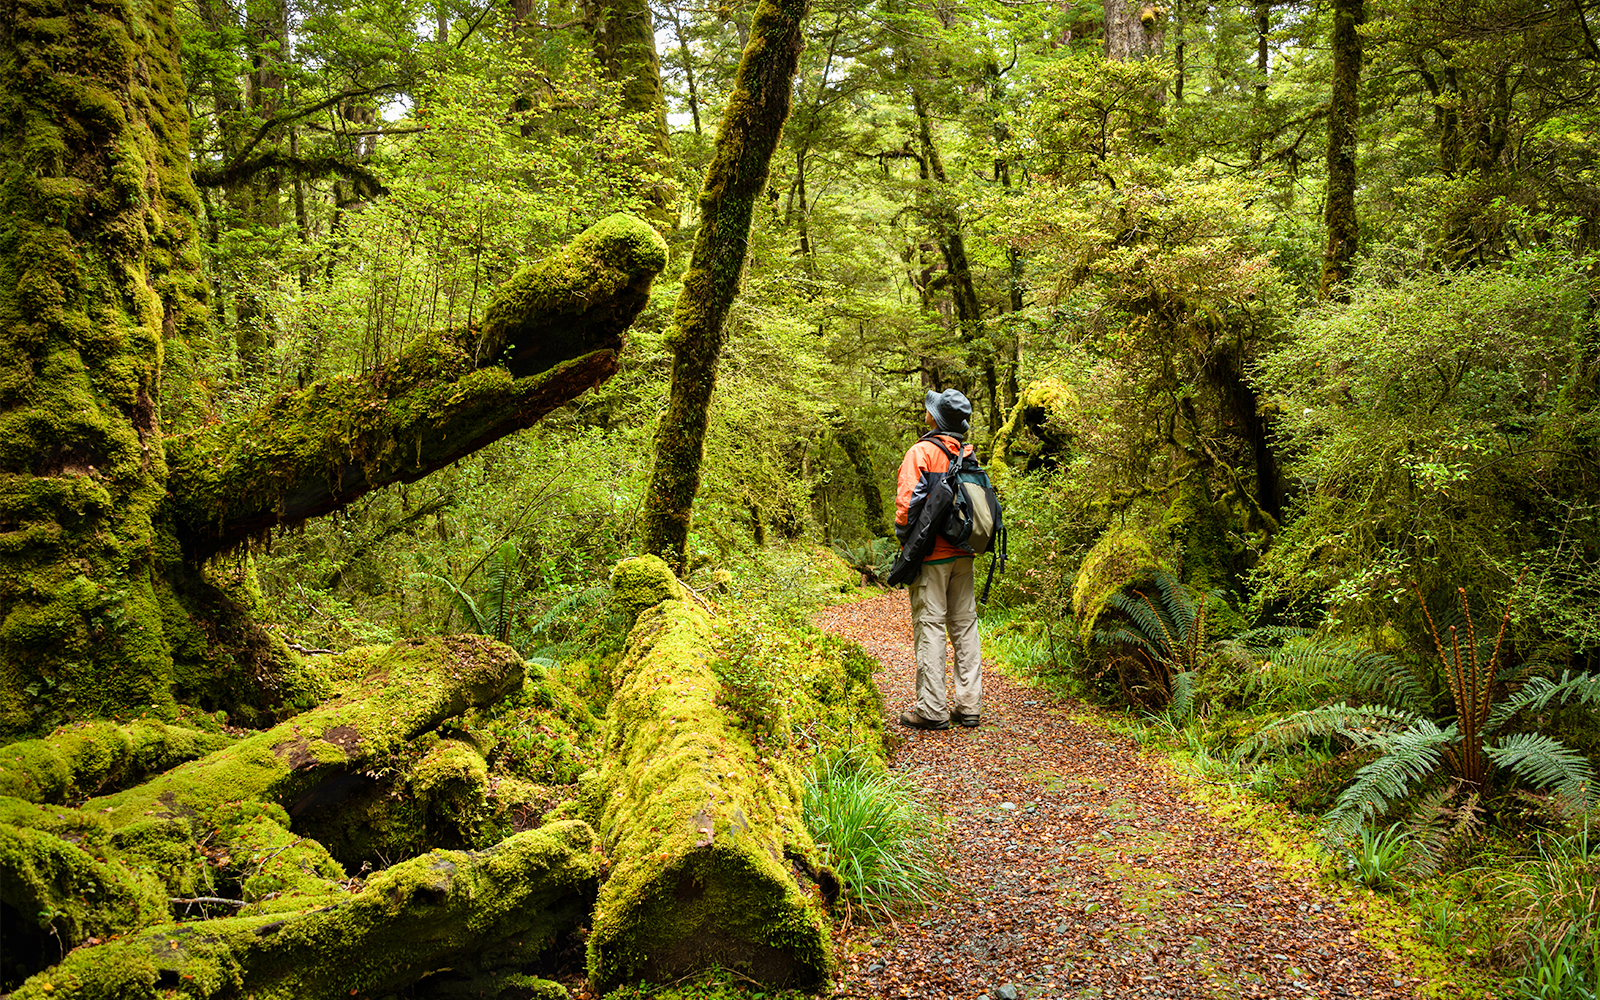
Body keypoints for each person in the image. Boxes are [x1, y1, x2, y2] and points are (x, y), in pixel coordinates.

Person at [894, 388, 982, 730]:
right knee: (964, 626)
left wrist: (907, 543)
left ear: (936, 419)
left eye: (931, 410)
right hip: (965, 552)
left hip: (931, 557)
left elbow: (905, 508)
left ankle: (931, 709)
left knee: (930, 627)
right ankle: (968, 705)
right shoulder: (968, 455)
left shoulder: (922, 453)